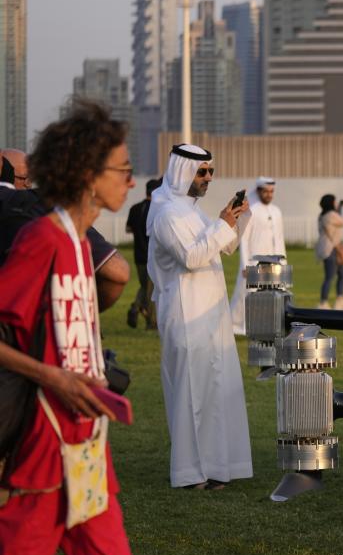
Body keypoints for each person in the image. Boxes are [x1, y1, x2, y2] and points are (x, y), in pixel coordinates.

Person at [0, 100, 203, 555]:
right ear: (89, 176)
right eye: (120, 167)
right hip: (40, 464)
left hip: (87, 459)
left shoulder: (78, 244)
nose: (129, 177)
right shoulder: (42, 240)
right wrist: (52, 377)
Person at [148, 143, 254, 490]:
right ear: (183, 171)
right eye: (202, 172)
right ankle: (190, 473)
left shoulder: (191, 211)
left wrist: (234, 218)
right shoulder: (166, 213)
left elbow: (223, 246)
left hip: (210, 317)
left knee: (215, 391)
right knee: (190, 394)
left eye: (210, 171)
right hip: (185, 314)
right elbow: (191, 257)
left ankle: (216, 467)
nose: (208, 178)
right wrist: (221, 224)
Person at [1, 148, 130, 310]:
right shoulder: (44, 209)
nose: (28, 183)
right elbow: (116, 271)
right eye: (23, 178)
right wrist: (82, 313)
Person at [229, 176, 285, 335]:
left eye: (271, 192)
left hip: (273, 262)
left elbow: (279, 238)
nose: (269, 194)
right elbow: (244, 240)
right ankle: (237, 325)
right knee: (246, 295)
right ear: (259, 191)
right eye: (266, 191)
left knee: (271, 295)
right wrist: (246, 264)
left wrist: (283, 260)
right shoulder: (251, 210)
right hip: (254, 261)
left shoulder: (276, 211)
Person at [124, 178, 160, 330]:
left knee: (144, 286)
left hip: (138, 255)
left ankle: (136, 307)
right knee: (151, 290)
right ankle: (150, 322)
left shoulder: (134, 208)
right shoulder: (157, 209)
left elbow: (128, 229)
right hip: (152, 256)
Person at [315, 194, 343, 310]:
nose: (336, 204)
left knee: (341, 274)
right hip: (332, 249)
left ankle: (339, 300)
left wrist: (341, 208)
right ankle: (323, 303)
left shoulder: (322, 215)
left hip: (328, 248)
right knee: (330, 276)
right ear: (331, 203)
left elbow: (338, 219)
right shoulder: (331, 215)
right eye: (335, 202)